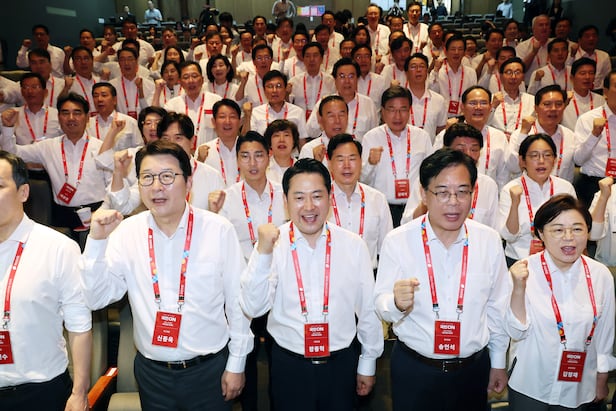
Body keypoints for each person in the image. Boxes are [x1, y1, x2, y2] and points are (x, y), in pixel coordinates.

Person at [81, 139, 252, 410]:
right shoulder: (127, 232)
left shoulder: (218, 230)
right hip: (152, 375)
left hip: (209, 371)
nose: (157, 186)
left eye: (167, 177)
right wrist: (96, 243)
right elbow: (96, 298)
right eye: (147, 177)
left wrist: (237, 363)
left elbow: (237, 302)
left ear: (188, 182)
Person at [240, 158, 384, 411]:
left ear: (330, 197)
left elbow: (368, 310)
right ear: (285, 202)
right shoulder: (272, 245)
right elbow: (253, 307)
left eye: (317, 196)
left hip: (341, 363)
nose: (309, 206)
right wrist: (263, 253)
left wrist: (368, 361)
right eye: (299, 198)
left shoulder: (353, 245)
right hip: (289, 366)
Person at [374, 148, 509, 411]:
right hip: (415, 369)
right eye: (443, 192)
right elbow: (380, 303)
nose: (454, 202)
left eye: (462, 192)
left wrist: (498, 362)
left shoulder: (488, 240)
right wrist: (396, 303)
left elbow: (497, 307)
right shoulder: (398, 240)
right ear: (424, 194)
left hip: (472, 369)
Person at [0, 151, 91, 410]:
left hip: (40, 391)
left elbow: (79, 325)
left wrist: (79, 392)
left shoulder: (58, 248)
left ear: (23, 192)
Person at [507, 194, 614, 409]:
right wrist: (518, 289)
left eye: (577, 229)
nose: (569, 237)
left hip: (578, 384)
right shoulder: (524, 271)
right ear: (540, 233)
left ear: (587, 231)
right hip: (531, 383)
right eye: (558, 230)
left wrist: (602, 376)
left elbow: (605, 331)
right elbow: (516, 332)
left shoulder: (600, 274)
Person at [0, 93, 110, 230]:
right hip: (62, 216)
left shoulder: (101, 147)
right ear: (59, 117)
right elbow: (13, 154)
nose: (71, 118)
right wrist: (8, 128)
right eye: (65, 113)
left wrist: (104, 211)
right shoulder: (48, 147)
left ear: (87, 118)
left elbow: (112, 184)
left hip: (97, 213)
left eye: (77, 113)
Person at [401, 123, 500, 229]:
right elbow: (408, 223)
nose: (468, 155)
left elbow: (494, 227)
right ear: (446, 149)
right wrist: (428, 199)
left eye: (474, 150)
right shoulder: (428, 180)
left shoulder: (489, 185)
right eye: (461, 150)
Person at [498, 134, 576, 265]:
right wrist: (515, 204)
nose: (541, 161)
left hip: (558, 260)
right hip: (519, 260)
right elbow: (509, 237)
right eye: (534, 156)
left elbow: (574, 227)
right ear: (522, 161)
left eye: (547, 155)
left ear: (555, 159)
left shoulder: (565, 188)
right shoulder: (510, 189)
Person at [361, 86, 433, 227]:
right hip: (383, 209)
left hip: (414, 209)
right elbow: (363, 181)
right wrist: (370, 163)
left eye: (403, 109)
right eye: (392, 110)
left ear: (410, 111)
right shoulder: (371, 138)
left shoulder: (422, 137)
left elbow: (431, 175)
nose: (398, 116)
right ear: (383, 111)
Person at [327, 133, 393, 269]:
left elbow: (387, 249)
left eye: (352, 159)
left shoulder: (377, 199)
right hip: (331, 275)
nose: (347, 165)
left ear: (361, 161)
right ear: (330, 163)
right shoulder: (320, 200)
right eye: (340, 159)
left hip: (370, 275)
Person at [507, 85, 576, 183]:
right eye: (547, 104)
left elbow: (569, 173)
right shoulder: (521, 134)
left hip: (559, 190)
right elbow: (513, 167)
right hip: (527, 190)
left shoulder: (569, 135)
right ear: (536, 108)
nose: (553, 109)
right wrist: (523, 135)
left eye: (559, 104)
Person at [306, 58, 378, 142]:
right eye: (342, 76)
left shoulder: (368, 103)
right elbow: (310, 133)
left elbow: (374, 136)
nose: (347, 81)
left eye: (351, 76)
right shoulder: (325, 102)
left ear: (357, 79)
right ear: (335, 80)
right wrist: (320, 117)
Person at [573, 69, 616, 208]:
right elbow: (578, 160)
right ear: (605, 92)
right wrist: (594, 135)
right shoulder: (588, 119)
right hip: (593, 184)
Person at [164, 61, 221, 146]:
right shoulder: (172, 106)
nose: (190, 81)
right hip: (181, 152)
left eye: (194, 76)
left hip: (210, 151)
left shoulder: (216, 101)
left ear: (202, 80)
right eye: (186, 77)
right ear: (180, 82)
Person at [1, 73, 61, 146]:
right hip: (22, 152)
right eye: (25, 87)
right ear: (22, 92)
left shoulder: (57, 115)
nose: (30, 91)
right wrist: (7, 126)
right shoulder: (12, 114)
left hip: (51, 152)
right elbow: (6, 145)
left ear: (45, 92)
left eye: (34, 87)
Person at [429, 35, 478, 118]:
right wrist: (435, 71)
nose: (456, 52)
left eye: (460, 49)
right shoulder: (438, 72)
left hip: (464, 117)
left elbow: (473, 96)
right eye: (453, 49)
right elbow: (432, 93)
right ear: (445, 51)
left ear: (464, 52)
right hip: (442, 117)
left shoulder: (471, 72)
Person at [249, 70, 307, 138]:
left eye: (278, 86)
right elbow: (249, 138)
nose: (274, 90)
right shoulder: (256, 112)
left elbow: (301, 140)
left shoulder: (298, 112)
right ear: (264, 90)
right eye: (270, 86)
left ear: (285, 88)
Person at [288, 42, 336, 121]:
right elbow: (288, 105)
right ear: (303, 59)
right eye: (307, 56)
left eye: (315, 55)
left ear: (321, 59)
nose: (311, 59)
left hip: (323, 123)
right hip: (300, 122)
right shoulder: (294, 82)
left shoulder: (331, 81)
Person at [489, 57, 535, 139]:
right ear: (501, 76)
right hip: (497, 140)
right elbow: (483, 124)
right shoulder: (491, 99)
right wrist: (492, 107)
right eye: (509, 72)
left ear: (523, 77)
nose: (513, 77)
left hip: (524, 141)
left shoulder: (532, 100)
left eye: (517, 72)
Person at [405, 53, 446, 141]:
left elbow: (441, 131)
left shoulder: (439, 100)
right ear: (406, 73)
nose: (418, 70)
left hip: (431, 148)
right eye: (413, 67)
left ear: (427, 71)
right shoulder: (399, 100)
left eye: (422, 66)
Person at [299, 95, 348, 169]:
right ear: (320, 119)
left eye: (341, 115)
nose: (337, 121)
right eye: (331, 116)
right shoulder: (309, 150)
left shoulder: (355, 148)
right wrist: (316, 164)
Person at [87, 82, 141, 149]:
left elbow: (140, 148)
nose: (99, 99)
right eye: (96, 96)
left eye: (104, 95)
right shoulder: (87, 125)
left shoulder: (129, 122)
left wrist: (126, 153)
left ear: (114, 100)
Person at [562, 58, 605, 131]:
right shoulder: (563, 100)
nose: (587, 77)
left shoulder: (601, 100)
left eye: (591, 73)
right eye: (583, 73)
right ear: (572, 78)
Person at [570, 25, 613, 91]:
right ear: (579, 40)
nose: (591, 39)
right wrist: (571, 57)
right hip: (578, 91)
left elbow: (608, 78)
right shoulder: (573, 55)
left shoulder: (604, 56)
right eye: (587, 36)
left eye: (594, 36)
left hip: (598, 91)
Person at [516, 15, 551, 85]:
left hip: (551, 85)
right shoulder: (523, 46)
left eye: (547, 25)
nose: (544, 27)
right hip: (529, 85)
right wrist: (533, 52)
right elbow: (521, 69)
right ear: (533, 29)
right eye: (541, 25)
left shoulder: (555, 45)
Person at [352, 44, 388, 109]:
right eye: (359, 57)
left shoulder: (380, 80)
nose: (363, 60)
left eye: (366, 56)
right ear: (353, 60)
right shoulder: (348, 81)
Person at [264, 119, 299, 184]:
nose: (282, 140)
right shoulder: (262, 169)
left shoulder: (302, 169)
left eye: (286, 135)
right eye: (276, 135)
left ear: (293, 141)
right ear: (270, 142)